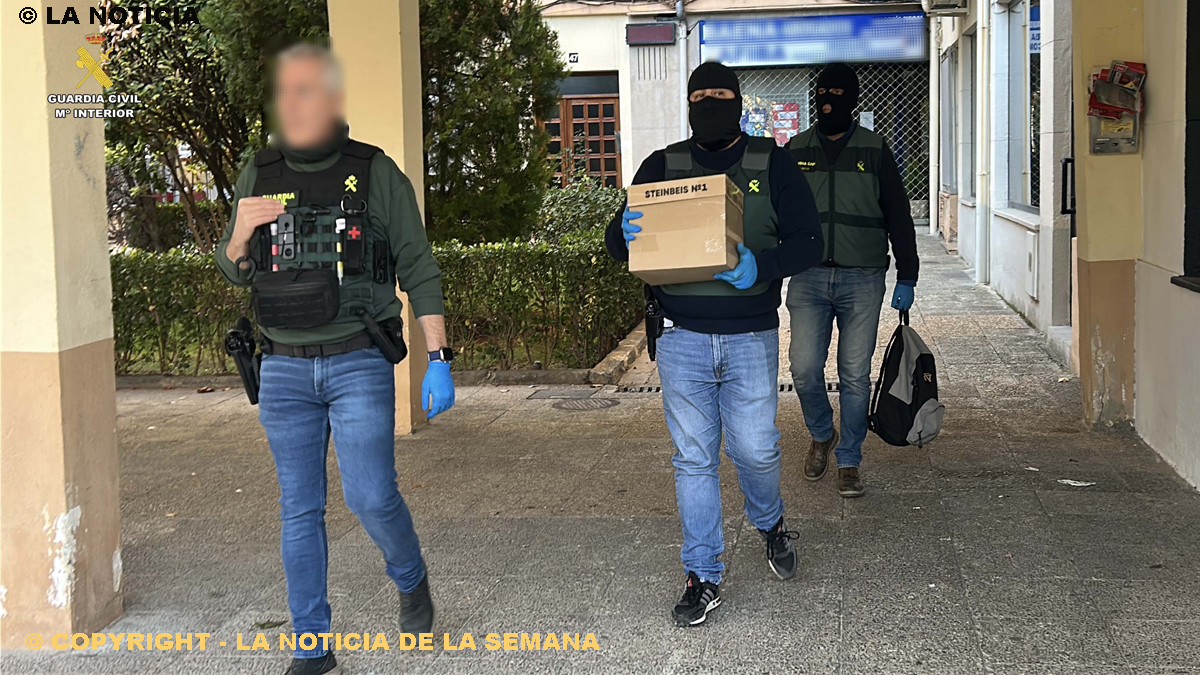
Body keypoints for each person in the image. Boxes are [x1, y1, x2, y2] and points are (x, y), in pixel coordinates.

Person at [215, 44, 455, 675]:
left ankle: (411, 578)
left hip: (357, 360)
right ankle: (311, 645)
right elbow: (235, 268)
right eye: (285, 92)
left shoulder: (375, 172)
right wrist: (238, 234)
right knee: (299, 509)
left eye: (306, 90)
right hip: (283, 366)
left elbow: (418, 266)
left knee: (371, 496)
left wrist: (438, 355)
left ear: (331, 99)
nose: (293, 103)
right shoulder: (257, 171)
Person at [605, 62, 824, 627]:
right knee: (694, 459)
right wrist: (621, 233)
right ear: (689, 105)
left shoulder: (772, 163)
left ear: (738, 102)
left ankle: (771, 522)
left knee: (756, 450)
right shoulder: (663, 165)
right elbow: (620, 241)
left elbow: (809, 242)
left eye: (719, 94)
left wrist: (761, 267)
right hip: (681, 338)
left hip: (750, 337)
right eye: (699, 95)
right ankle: (702, 575)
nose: (709, 103)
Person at [785, 63, 920, 498]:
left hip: (863, 278)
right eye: (822, 93)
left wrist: (908, 273)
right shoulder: (795, 149)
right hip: (808, 277)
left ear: (854, 101)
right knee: (804, 368)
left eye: (838, 94)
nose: (828, 102)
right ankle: (822, 432)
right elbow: (774, 211)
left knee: (855, 375)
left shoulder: (875, 149)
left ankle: (849, 458)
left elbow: (898, 214)